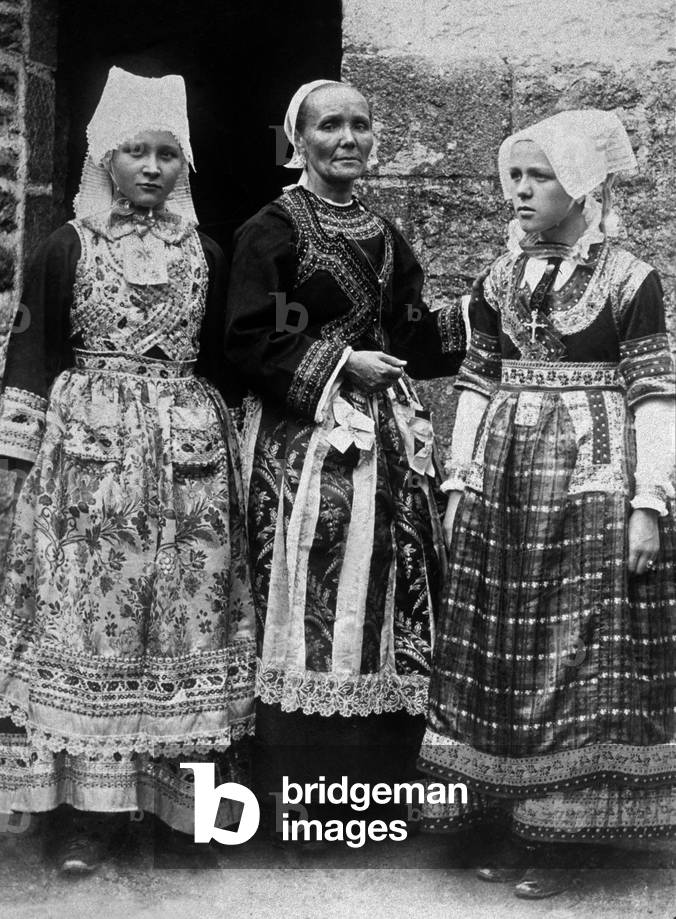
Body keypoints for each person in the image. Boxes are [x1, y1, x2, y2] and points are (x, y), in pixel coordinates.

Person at [0, 67, 256, 873]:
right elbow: (31, 351)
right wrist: (19, 460)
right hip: (87, 468)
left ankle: (183, 812)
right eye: (134, 150)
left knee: (188, 625)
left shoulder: (208, 251)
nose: (151, 166)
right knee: (85, 624)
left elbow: (228, 356)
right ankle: (86, 817)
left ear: (185, 166)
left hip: (189, 469)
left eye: (167, 153)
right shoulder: (66, 246)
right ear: (105, 158)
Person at [418, 109, 675, 897]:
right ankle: (507, 814)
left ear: (583, 184)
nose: (521, 190)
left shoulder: (630, 278)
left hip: (590, 480)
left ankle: (566, 834)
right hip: (504, 481)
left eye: (541, 177)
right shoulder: (499, 278)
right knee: (503, 644)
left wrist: (649, 503)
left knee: (579, 643)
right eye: (516, 176)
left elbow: (656, 395)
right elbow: (475, 379)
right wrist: (459, 480)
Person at [224, 79, 471, 840]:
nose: (349, 138)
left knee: (387, 590)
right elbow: (244, 338)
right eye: (331, 125)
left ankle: (373, 786)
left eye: (361, 125)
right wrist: (339, 364)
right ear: (299, 140)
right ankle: (295, 794)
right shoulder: (270, 229)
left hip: (383, 453)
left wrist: (482, 310)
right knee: (306, 595)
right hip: (303, 452)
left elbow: (409, 335)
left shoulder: (386, 236)